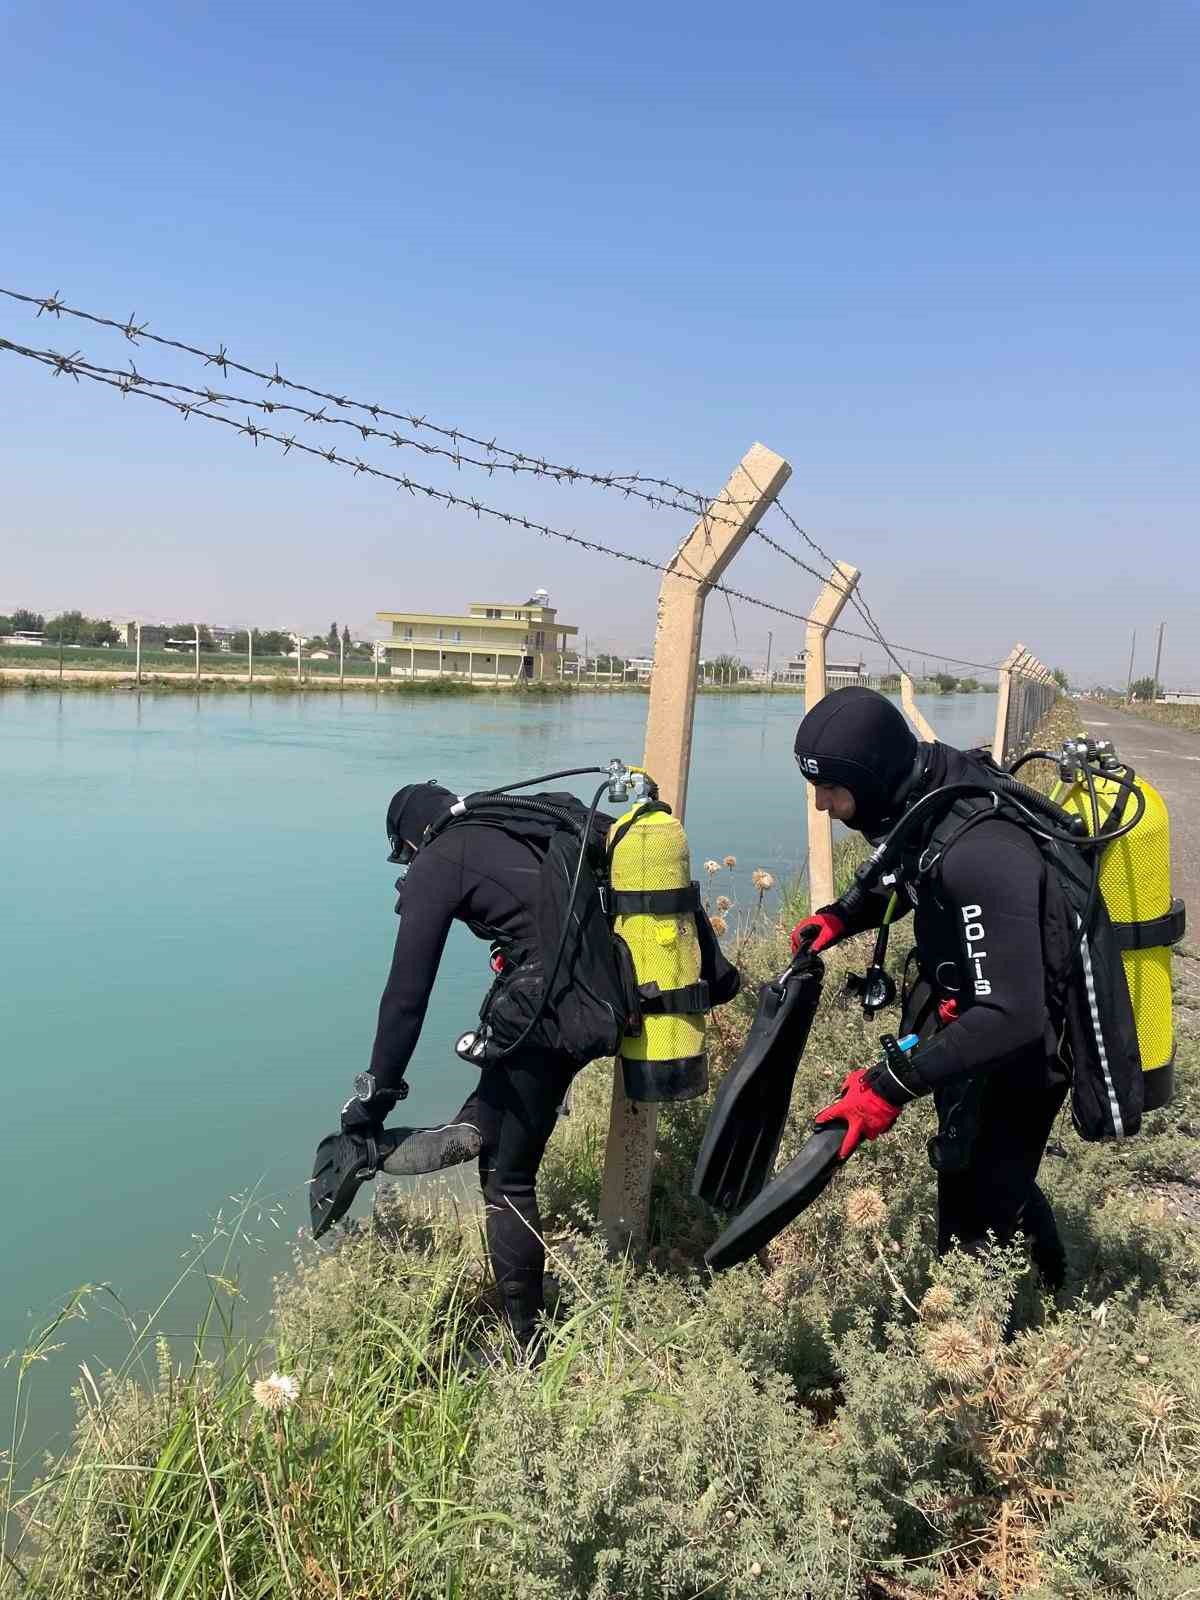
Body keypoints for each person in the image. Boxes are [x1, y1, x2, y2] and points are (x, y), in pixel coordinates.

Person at [791, 686, 1069, 1289]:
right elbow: (907, 874)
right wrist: (841, 916)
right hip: (965, 1017)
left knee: (985, 1207)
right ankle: (1033, 1286)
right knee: (967, 1164)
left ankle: (1004, 1332)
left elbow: (1014, 1014)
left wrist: (888, 1086)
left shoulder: (982, 851)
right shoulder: (925, 795)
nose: (822, 804)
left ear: (874, 776)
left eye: (833, 789)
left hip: (1022, 1048)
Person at [333, 780, 585, 1358]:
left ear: (410, 840)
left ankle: (529, 1351)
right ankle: (460, 1132)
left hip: (548, 1012)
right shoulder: (511, 830)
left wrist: (375, 1095)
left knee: (509, 1180)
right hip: (598, 994)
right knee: (492, 1117)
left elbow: (405, 996)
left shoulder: (439, 858)